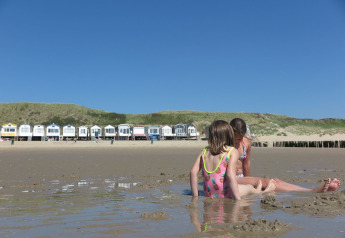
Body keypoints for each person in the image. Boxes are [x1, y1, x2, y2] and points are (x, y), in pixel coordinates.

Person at [230, 118, 341, 193]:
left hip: (241, 177)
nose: (236, 142)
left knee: (275, 180)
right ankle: (313, 191)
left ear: (244, 135)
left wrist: (247, 179)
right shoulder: (225, 142)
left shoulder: (247, 141)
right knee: (268, 182)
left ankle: (309, 191)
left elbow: (246, 163)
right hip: (231, 178)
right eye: (234, 139)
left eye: (239, 139)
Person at [190, 120, 276, 200]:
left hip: (208, 193)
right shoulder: (231, 151)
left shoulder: (205, 151)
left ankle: (256, 189)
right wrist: (237, 198)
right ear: (229, 135)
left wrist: (195, 196)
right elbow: (230, 175)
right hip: (226, 193)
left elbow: (193, 172)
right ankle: (264, 191)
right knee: (249, 188)